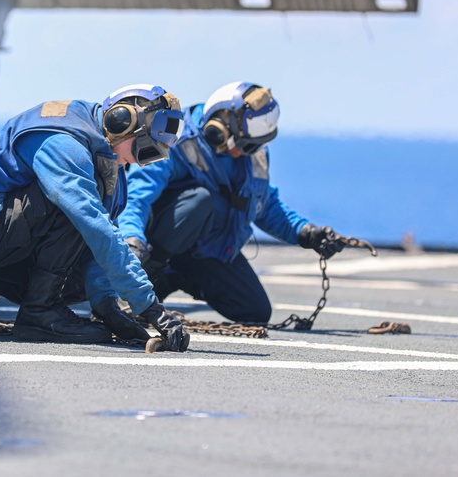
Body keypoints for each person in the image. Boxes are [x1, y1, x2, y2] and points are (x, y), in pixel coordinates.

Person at [0, 85, 191, 350]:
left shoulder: (106, 157)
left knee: (81, 280)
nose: (139, 162)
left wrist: (107, 306)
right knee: (76, 208)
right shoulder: (64, 141)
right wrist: (152, 309)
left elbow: (100, 242)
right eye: (145, 150)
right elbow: (94, 226)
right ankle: (41, 311)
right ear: (122, 122)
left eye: (152, 157)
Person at [116, 82, 346, 325]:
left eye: (256, 144)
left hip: (207, 251)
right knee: (199, 201)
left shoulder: (252, 153)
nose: (249, 151)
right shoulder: (176, 141)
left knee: (255, 311)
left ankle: (176, 276)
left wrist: (306, 233)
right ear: (219, 128)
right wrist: (132, 241)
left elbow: (264, 205)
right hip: (154, 249)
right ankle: (153, 275)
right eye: (246, 143)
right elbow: (137, 197)